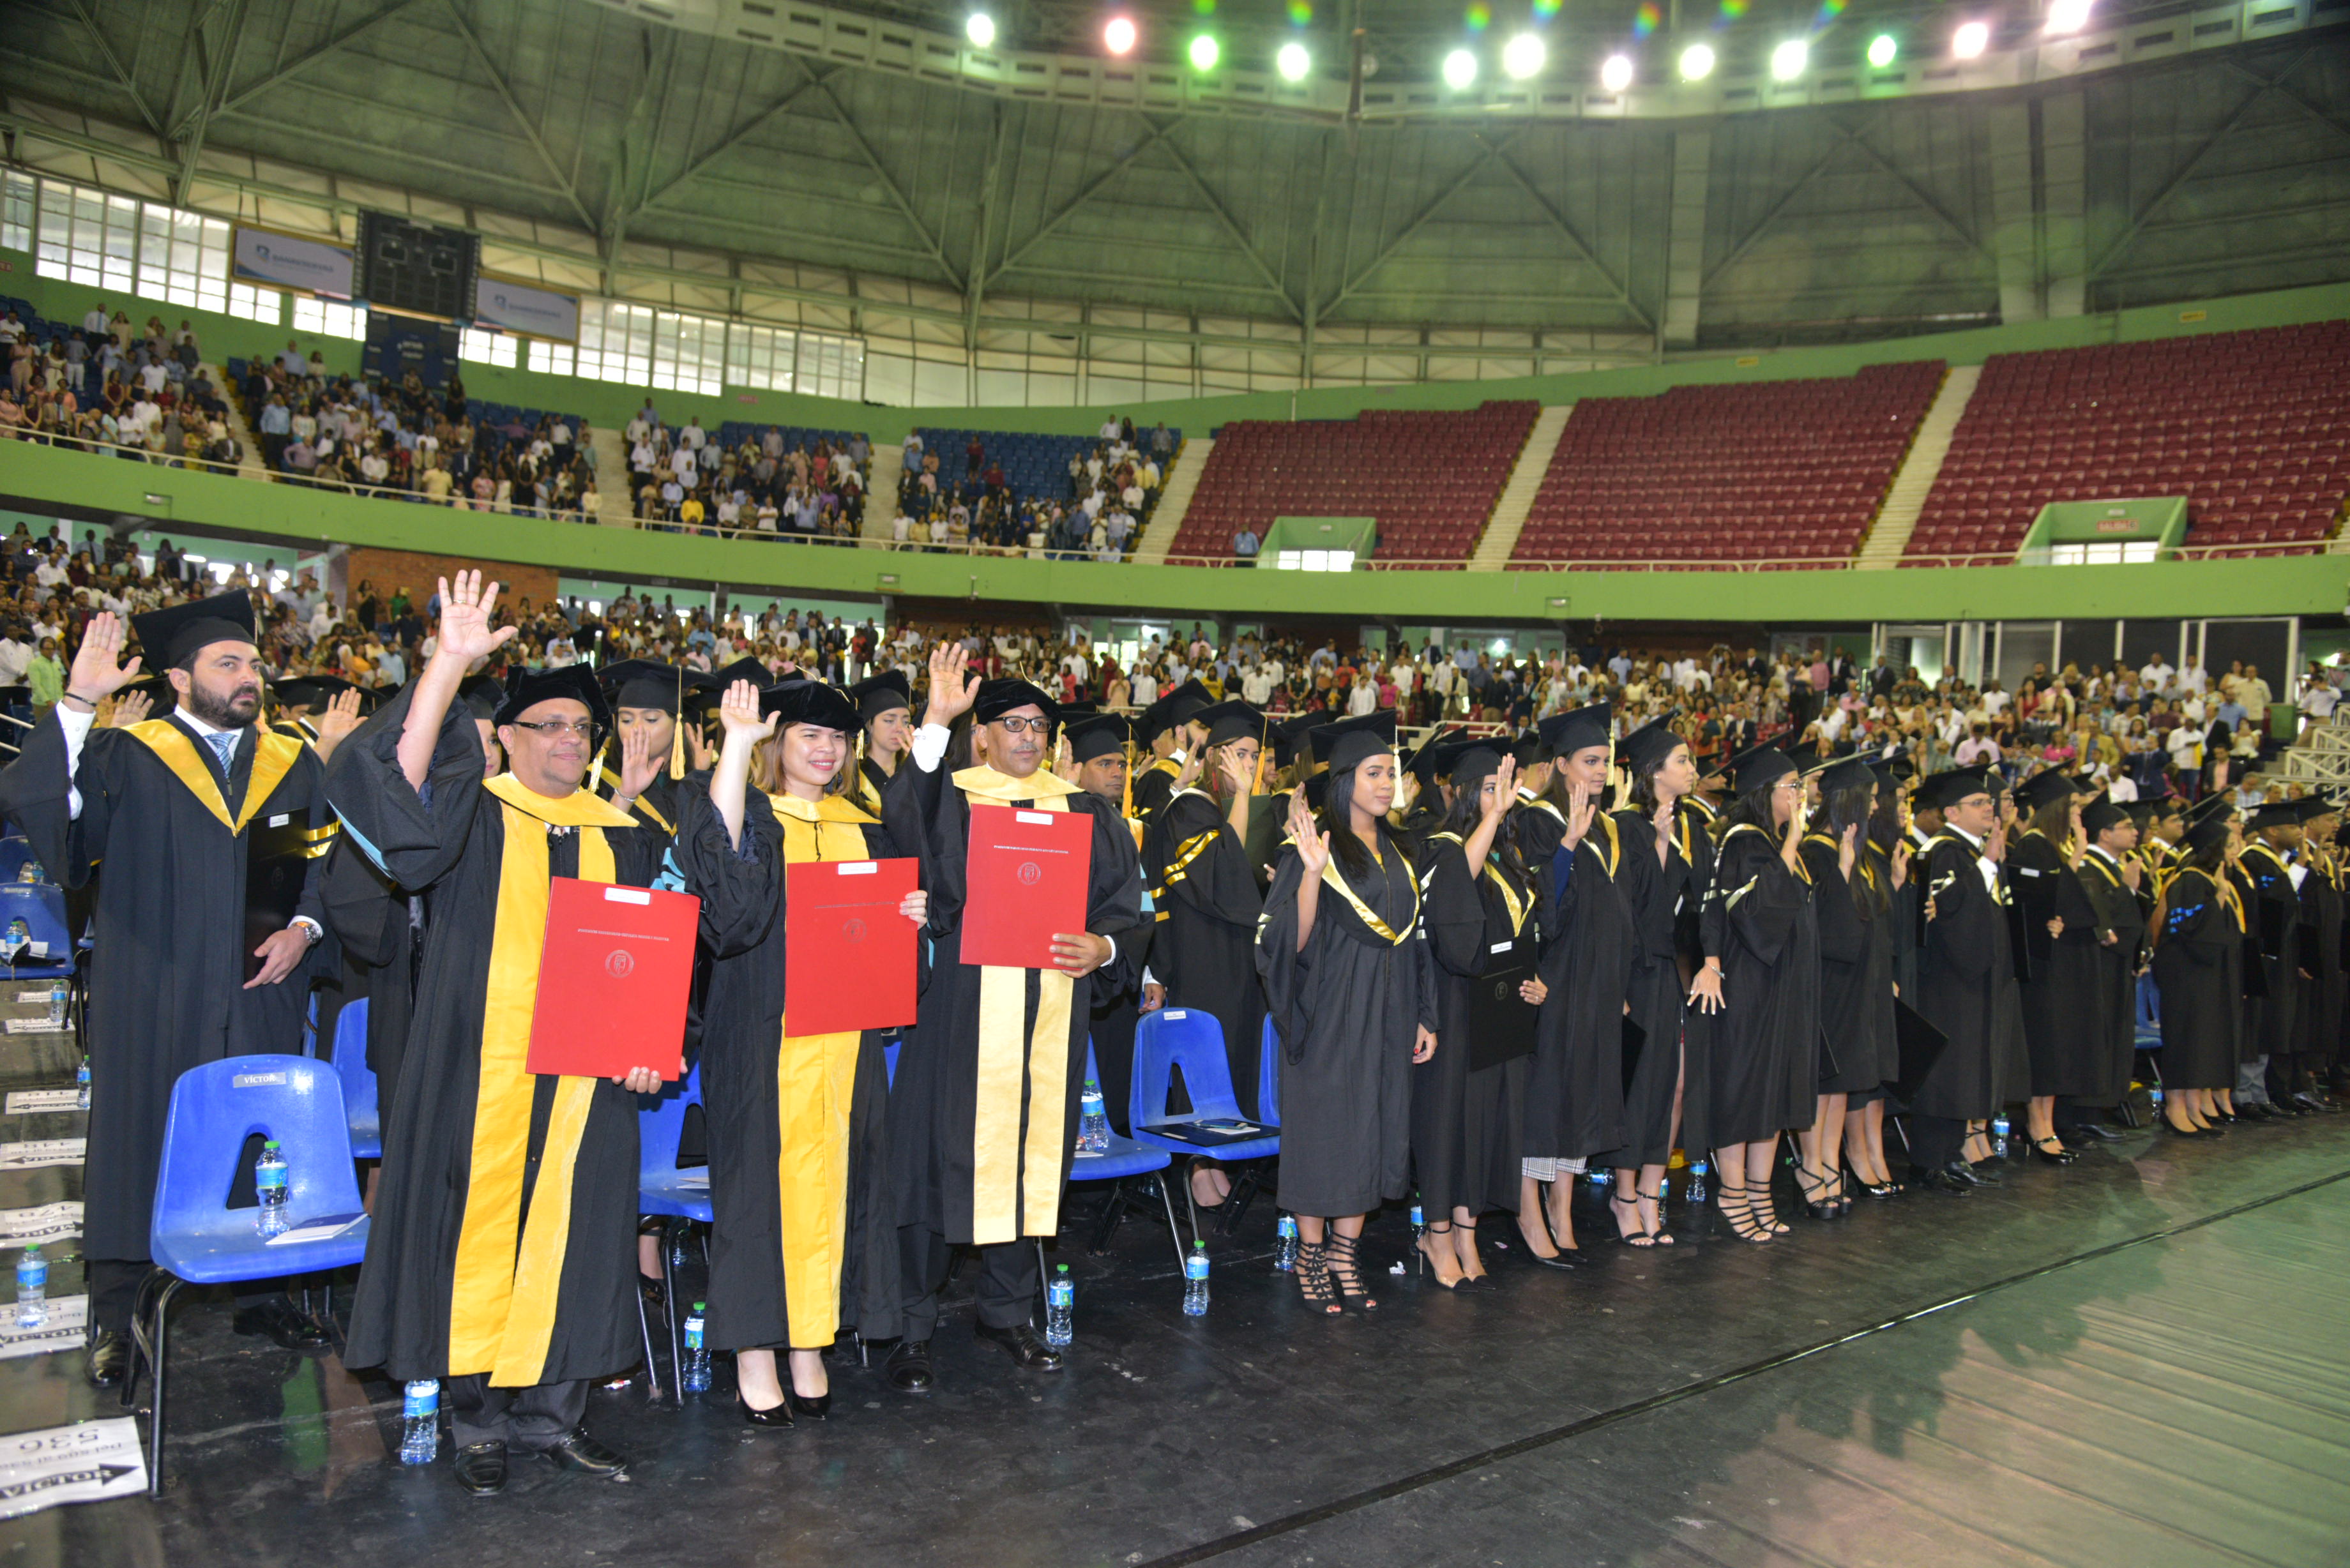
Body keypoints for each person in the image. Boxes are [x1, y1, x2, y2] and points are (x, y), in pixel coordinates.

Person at [329, 573, 669, 1496]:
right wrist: (446, 666)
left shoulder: (621, 835)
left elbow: (654, 957)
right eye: (547, 725)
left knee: (580, 1234)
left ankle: (554, 1417)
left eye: (581, 728)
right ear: (505, 737)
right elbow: (389, 794)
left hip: (588, 1080)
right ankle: (477, 1422)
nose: (568, 740)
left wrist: (650, 1045)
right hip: (477, 1069)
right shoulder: (471, 813)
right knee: (473, 1233)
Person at [0, 592, 341, 1387]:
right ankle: (118, 1314)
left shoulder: (292, 762)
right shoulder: (128, 754)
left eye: (253, 662)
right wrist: (77, 704)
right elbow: (55, 818)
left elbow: (322, 864)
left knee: (261, 1131)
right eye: (228, 663)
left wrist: (305, 928)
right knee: (138, 1131)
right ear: (181, 679)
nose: (249, 675)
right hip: (154, 985)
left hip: (259, 985)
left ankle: (264, 1291)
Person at [879, 650, 1141, 1389]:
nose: (1027, 737)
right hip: (959, 1016)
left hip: (1048, 1018)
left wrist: (1103, 945)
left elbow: (1125, 906)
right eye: (1011, 724)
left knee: (1029, 1160)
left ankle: (1006, 1310)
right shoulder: (955, 798)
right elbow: (903, 823)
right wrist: (935, 718)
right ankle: (911, 1326)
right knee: (936, 1164)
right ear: (983, 736)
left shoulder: (1083, 810)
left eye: (1038, 726)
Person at [673, 676, 925, 1428]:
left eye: (837, 737)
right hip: (761, 1030)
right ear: (777, 741)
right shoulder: (751, 811)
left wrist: (908, 920)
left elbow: (888, 959)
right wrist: (735, 744)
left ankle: (811, 1340)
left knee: (842, 1184)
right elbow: (722, 890)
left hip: (844, 1041)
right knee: (757, 1190)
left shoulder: (865, 827)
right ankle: (755, 1352)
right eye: (809, 734)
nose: (826, 749)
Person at [1257, 711, 1438, 1312]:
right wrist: (1312, 875)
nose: (1387, 784)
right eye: (1374, 773)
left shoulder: (1401, 851)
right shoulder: (1311, 850)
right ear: (1344, 781)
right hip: (1331, 1011)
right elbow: (1291, 941)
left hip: (1390, 1012)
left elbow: (1416, 940)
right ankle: (1310, 1254)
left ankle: (1344, 1252)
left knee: (1374, 1126)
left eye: (1392, 773)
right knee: (1326, 1132)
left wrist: (1425, 1014)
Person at [1414, 741, 1547, 1285]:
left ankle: (1468, 1234)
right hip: (1454, 1007)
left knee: (1489, 1123)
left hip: (1500, 1012)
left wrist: (1537, 981)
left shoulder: (1507, 855)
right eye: (1489, 789)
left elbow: (1525, 930)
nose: (1500, 798)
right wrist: (1493, 818)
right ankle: (1437, 1233)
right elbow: (1452, 905)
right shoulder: (1442, 847)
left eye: (1505, 789)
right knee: (1450, 1123)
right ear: (1467, 794)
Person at [1516, 702, 1632, 1265]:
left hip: (1597, 983)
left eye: (1605, 761)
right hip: (1556, 980)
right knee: (1549, 1096)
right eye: (1590, 760)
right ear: (1561, 765)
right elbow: (1543, 911)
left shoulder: (1607, 827)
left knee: (1584, 1093)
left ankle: (1562, 1205)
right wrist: (1566, 846)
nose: (1600, 771)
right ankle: (1530, 1208)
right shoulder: (1538, 821)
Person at [1692, 746, 1820, 1241]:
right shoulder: (1745, 840)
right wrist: (1792, 844)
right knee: (1744, 1089)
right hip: (1750, 985)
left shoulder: (1774, 841)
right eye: (1793, 786)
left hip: (1783, 985)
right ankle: (1732, 1192)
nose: (1801, 794)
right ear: (1765, 792)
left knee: (1775, 1090)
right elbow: (1754, 916)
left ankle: (1761, 1191)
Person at [1139, 698, 1271, 1177]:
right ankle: (1200, 1167)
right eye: (1239, 753)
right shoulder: (1191, 806)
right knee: (1210, 1059)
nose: (1249, 764)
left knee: (1240, 1055)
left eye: (1254, 755)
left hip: (1238, 956)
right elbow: (1223, 874)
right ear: (1215, 756)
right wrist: (1244, 798)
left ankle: (1220, 1164)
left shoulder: (1234, 807)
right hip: (1204, 955)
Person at [1597, 717, 1709, 1246]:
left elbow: (1696, 909)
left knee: (1672, 1086)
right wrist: (1661, 846)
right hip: (1637, 973)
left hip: (1673, 973)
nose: (1692, 768)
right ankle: (1625, 1197)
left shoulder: (1689, 825)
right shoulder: (1625, 826)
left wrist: (1708, 960)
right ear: (1654, 772)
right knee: (1640, 1087)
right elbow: (1638, 911)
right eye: (1682, 760)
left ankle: (1650, 1192)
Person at [1904, 768, 2028, 1195]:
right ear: (1952, 812)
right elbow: (1947, 913)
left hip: (1978, 979)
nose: (1989, 808)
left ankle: (1952, 1154)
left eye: (1989, 802)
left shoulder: (1973, 851)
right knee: (1947, 1072)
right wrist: (1988, 865)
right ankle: (1927, 1161)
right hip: (1948, 981)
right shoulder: (1942, 852)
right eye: (1978, 803)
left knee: (1968, 1069)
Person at [2006, 770, 2097, 1165]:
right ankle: (2037, 1126)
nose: (2078, 815)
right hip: (2043, 967)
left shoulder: (2052, 848)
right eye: (2073, 806)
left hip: (2063, 965)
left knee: (2058, 1047)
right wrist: (2075, 860)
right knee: (2045, 1047)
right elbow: (2037, 905)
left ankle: (2048, 1124)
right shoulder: (2033, 847)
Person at [2149, 808, 2243, 1135]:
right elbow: (2187, 930)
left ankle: (2193, 1106)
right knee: (2187, 1041)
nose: (2234, 850)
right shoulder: (2190, 880)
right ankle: (2175, 1108)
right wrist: (2218, 899)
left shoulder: (2208, 880)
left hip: (2207, 976)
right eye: (2228, 845)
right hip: (2187, 975)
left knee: (2203, 1043)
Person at [2066, 796, 2151, 1142]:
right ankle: (2082, 1114)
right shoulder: (2089, 866)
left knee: (2111, 1038)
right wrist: (2127, 889)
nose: (2135, 832)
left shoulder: (2113, 866)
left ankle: (2097, 1111)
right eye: (2127, 827)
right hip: (2097, 968)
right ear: (2104, 833)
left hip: (2116, 968)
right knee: (2095, 1038)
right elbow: (2098, 918)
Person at [847, 669, 913, 816]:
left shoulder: (912, 771)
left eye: (906, 722)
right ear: (869, 725)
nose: (900, 728)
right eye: (889, 720)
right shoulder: (852, 778)